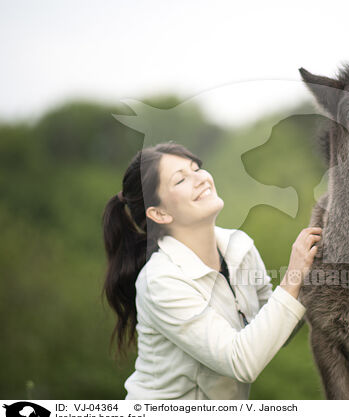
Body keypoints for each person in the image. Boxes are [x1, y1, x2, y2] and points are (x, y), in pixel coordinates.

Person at [101, 142, 321, 400]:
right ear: (159, 213)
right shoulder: (160, 280)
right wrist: (294, 275)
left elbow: (273, 332)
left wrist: (315, 274)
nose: (200, 179)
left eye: (196, 168)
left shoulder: (240, 248)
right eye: (181, 180)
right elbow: (242, 361)